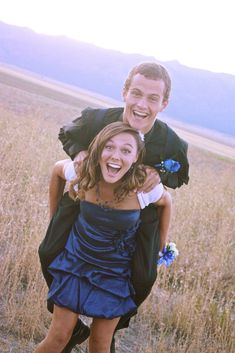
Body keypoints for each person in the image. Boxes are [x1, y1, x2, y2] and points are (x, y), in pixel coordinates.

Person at [38, 62, 189, 353]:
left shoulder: (171, 141)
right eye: (136, 93)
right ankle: (69, 322)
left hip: (136, 219)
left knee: (142, 277)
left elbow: (180, 175)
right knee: (48, 250)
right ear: (124, 92)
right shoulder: (97, 120)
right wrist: (80, 152)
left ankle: (109, 325)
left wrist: (161, 175)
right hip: (86, 200)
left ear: (164, 103)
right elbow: (67, 136)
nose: (142, 104)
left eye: (153, 98)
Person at [35, 122, 172, 353]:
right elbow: (58, 171)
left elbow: (167, 202)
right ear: (97, 150)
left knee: (100, 344)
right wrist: (54, 220)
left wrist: (160, 246)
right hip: (75, 262)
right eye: (109, 147)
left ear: (136, 158)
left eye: (126, 150)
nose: (116, 156)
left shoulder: (142, 188)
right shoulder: (83, 173)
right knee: (58, 336)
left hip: (115, 273)